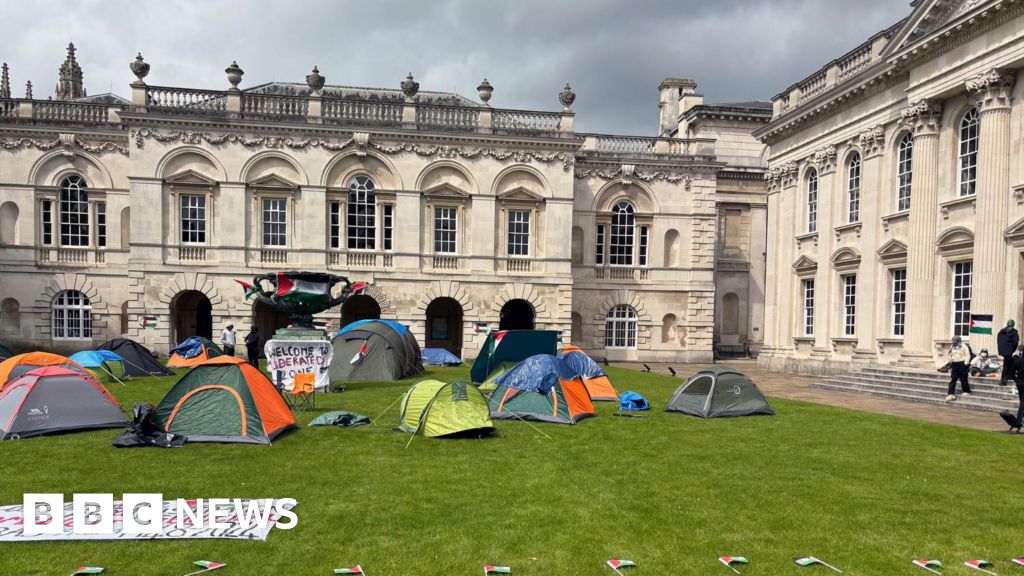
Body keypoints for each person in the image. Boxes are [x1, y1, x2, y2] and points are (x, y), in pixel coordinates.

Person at [945, 335, 972, 401]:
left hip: (962, 363)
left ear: (959, 341)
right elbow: (949, 353)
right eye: (953, 341)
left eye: (955, 341)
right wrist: (950, 358)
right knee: (953, 379)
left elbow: (968, 355)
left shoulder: (964, 346)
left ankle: (966, 391)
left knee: (963, 378)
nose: (954, 343)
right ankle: (951, 394)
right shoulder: (952, 346)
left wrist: (966, 363)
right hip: (954, 364)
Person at [997, 319, 1019, 385]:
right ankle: (1003, 380)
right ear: (1013, 324)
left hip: (1002, 350)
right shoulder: (1014, 332)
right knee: (1006, 365)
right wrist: (1012, 350)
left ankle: (1008, 375)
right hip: (1009, 350)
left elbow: (998, 341)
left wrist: (1001, 349)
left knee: (1009, 361)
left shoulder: (1001, 331)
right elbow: (1015, 343)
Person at [1012, 345, 1024, 420]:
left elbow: (1011, 373)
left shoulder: (1017, 361)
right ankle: (1019, 418)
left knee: (1021, 400)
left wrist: (1016, 380)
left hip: (1019, 383)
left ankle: (1021, 416)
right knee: (1023, 402)